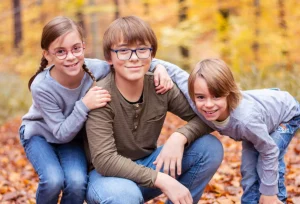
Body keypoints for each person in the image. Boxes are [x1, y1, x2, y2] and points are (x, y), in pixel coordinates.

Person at [19, 16, 176, 204]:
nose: (70, 57)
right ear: (47, 54)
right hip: (41, 135)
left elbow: (129, 60)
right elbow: (60, 134)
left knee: (77, 182)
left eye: (76, 49)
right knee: (53, 180)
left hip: (72, 137)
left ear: (83, 47)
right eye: (60, 52)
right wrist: (84, 104)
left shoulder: (96, 68)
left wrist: (159, 67)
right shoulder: (42, 86)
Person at [85, 15, 223, 204]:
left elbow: (204, 117)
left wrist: (180, 136)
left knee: (209, 147)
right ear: (109, 57)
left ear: (152, 54)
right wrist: (162, 180)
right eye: (123, 51)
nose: (134, 58)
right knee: (126, 196)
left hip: (148, 163)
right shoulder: (99, 95)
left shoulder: (161, 86)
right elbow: (105, 160)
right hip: (106, 178)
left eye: (142, 49)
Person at [187, 58, 300, 204]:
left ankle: (276, 199)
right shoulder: (196, 95)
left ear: (229, 92)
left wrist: (269, 192)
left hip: (287, 114)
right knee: (248, 170)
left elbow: (270, 151)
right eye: (201, 97)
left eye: (216, 96)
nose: (208, 104)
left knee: (266, 161)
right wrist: (156, 65)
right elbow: (178, 75)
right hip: (260, 120)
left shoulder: (245, 120)